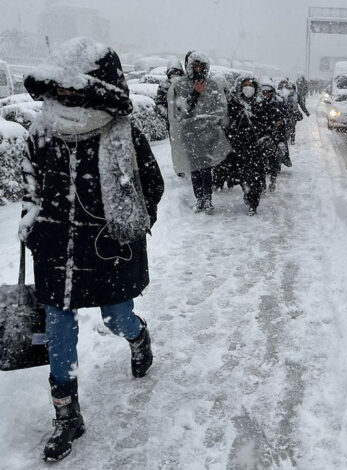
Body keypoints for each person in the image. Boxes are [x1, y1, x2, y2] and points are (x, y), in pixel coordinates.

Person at [20, 37, 164, 462]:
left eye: (73, 87)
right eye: (59, 88)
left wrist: (129, 229)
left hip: (107, 250)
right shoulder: (41, 131)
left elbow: (150, 187)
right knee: (59, 329)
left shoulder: (122, 133)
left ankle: (138, 337)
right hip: (56, 250)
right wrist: (31, 228)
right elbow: (30, 188)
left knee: (116, 317)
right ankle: (66, 414)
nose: (64, 94)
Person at [168, 51, 231, 213]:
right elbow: (181, 111)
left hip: (209, 134)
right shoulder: (181, 85)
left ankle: (207, 199)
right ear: (190, 66)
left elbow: (220, 108)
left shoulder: (212, 85)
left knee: (206, 167)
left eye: (201, 65)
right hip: (189, 133)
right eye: (195, 65)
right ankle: (199, 199)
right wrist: (195, 94)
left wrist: (211, 121)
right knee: (194, 168)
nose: (198, 68)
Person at [227, 75, 271, 215]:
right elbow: (228, 124)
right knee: (242, 176)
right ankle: (247, 191)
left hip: (256, 147)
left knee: (255, 177)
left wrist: (264, 138)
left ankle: (253, 203)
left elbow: (266, 124)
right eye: (245, 85)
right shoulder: (234, 103)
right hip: (239, 147)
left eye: (251, 85)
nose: (248, 88)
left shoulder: (261, 104)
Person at [256, 77, 288, 192]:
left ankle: (273, 181)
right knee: (260, 163)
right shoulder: (258, 104)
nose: (266, 94)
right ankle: (262, 185)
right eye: (264, 92)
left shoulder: (279, 103)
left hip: (275, 136)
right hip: (262, 137)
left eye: (268, 92)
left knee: (274, 161)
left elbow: (283, 120)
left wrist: (280, 137)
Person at [155, 58, 185, 129]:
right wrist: (168, 115)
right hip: (171, 122)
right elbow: (159, 104)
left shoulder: (185, 85)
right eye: (172, 74)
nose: (174, 77)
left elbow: (189, 101)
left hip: (184, 121)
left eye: (177, 73)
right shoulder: (164, 85)